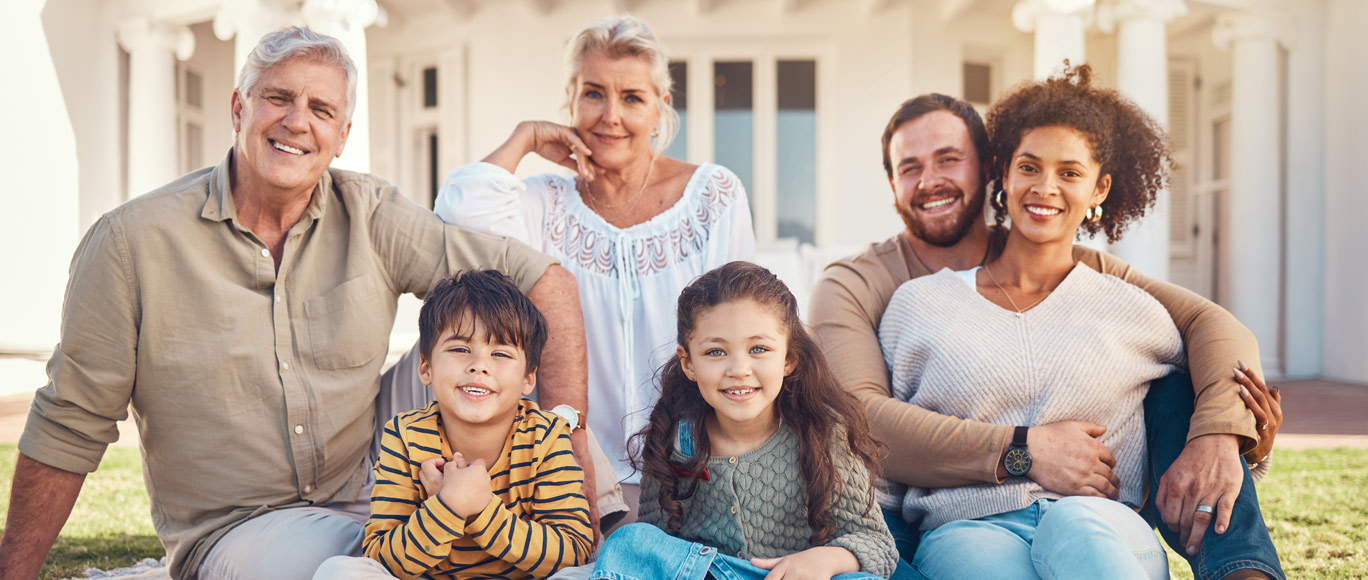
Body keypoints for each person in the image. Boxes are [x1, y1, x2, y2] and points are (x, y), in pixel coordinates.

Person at [0, 27, 588, 580]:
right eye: (277, 98)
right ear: (238, 109)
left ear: (342, 135)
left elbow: (543, 281)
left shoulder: (371, 214)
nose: (297, 122)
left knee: (514, 386)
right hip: (244, 524)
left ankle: (596, 546)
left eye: (322, 110)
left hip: (375, 469)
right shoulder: (131, 243)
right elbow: (70, 422)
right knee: (353, 570)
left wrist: (568, 436)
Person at [808, 89, 1283, 578]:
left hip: (1098, 518)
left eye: (948, 159)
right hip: (955, 519)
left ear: (988, 168)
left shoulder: (1101, 282)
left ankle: (1242, 570)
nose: (930, 180)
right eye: (909, 167)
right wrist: (1024, 451)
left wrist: (1226, 432)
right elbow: (858, 419)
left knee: (1174, 392)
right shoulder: (872, 288)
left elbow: (1213, 327)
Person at [435, 14, 755, 523]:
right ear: (570, 101)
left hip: (692, 470)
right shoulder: (543, 203)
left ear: (660, 108)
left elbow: (744, 323)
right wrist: (526, 138)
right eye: (592, 94)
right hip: (570, 473)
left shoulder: (712, 196)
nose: (611, 115)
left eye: (632, 98)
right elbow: (456, 212)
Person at [591, 262, 898, 580]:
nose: (739, 368)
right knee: (630, 540)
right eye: (715, 352)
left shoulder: (822, 431)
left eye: (759, 349)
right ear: (689, 363)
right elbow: (654, 548)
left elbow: (878, 545)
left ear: (789, 358)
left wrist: (825, 561)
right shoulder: (676, 436)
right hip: (709, 574)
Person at [314, 270, 591, 579]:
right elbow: (382, 556)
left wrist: (481, 509)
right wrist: (449, 506)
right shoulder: (405, 436)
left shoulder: (545, 436)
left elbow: (574, 551)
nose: (479, 365)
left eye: (500, 353)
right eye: (460, 349)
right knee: (339, 572)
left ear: (528, 379)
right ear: (425, 367)